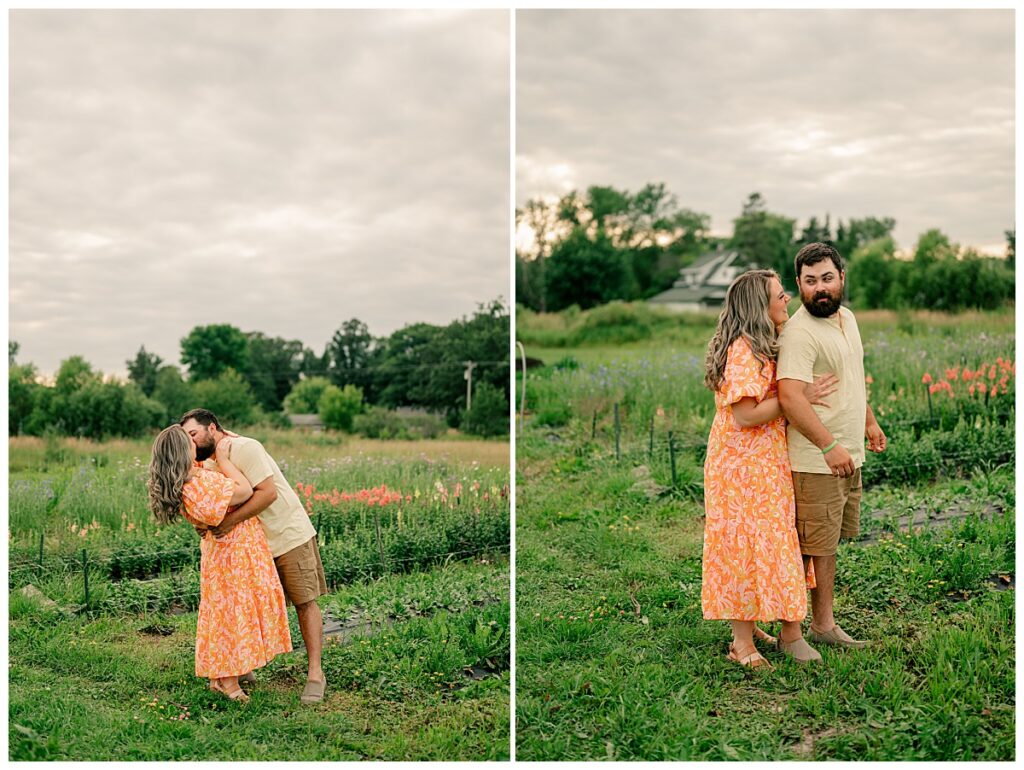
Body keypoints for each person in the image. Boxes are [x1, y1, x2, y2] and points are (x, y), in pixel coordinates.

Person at [701, 269, 837, 668]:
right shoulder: (742, 350)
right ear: (759, 306)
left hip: (765, 464)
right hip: (740, 467)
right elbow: (746, 415)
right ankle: (741, 643)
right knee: (742, 546)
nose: (788, 299)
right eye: (780, 295)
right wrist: (798, 397)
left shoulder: (764, 345)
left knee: (771, 544)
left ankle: (751, 625)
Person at [777, 242, 887, 650]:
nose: (819, 288)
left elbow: (852, 377)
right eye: (810, 281)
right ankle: (794, 634)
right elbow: (789, 398)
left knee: (826, 548)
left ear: (841, 277)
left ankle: (823, 625)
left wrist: (868, 421)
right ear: (799, 285)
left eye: (826, 278)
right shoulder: (799, 332)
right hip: (815, 459)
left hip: (847, 453)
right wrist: (827, 446)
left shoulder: (848, 319)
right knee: (806, 550)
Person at [179, 408, 329, 704]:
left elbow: (267, 493)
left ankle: (315, 674)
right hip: (250, 548)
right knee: (244, 605)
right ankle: (241, 665)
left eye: (193, 434)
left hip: (286, 533)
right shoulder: (203, 462)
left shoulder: (245, 448)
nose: (191, 443)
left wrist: (228, 523)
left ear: (212, 428)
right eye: (186, 438)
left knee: (303, 601)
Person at [148, 425, 292, 702]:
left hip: (230, 553)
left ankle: (221, 676)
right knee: (231, 616)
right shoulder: (198, 484)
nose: (194, 443)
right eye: (188, 440)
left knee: (227, 614)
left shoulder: (193, 478)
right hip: (232, 555)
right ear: (182, 451)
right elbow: (245, 491)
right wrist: (224, 461)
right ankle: (228, 682)